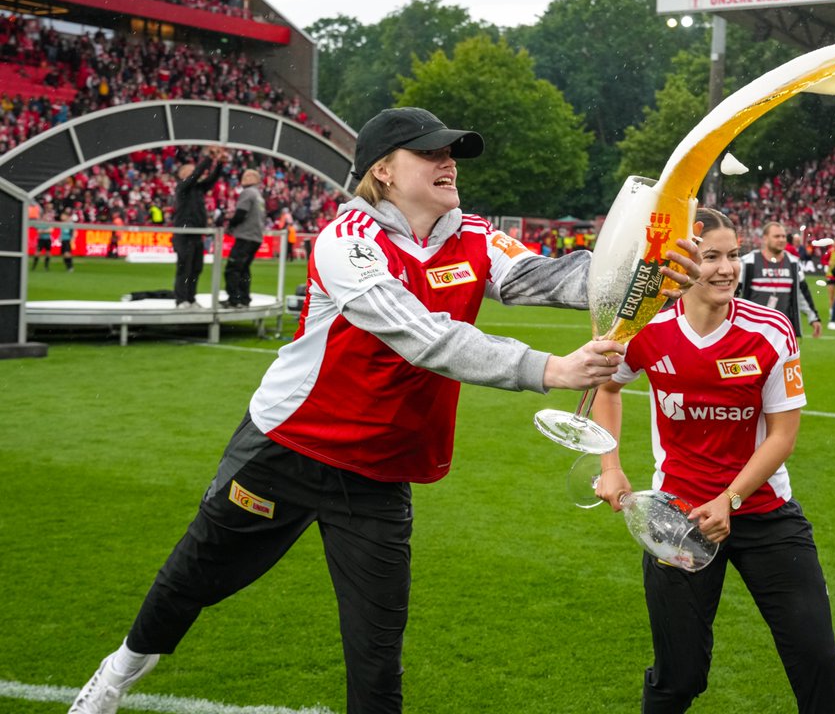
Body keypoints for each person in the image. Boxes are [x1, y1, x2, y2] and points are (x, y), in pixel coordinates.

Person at [66, 106, 701, 714]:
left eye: (451, 152)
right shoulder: (348, 240)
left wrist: (644, 271)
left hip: (380, 473)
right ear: (383, 172)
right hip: (287, 448)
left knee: (376, 653)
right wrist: (551, 370)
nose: (448, 161)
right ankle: (117, 673)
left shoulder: (476, 236)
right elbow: (422, 336)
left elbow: (556, 278)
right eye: (429, 152)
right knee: (192, 580)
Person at [592, 208, 835, 714]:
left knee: (816, 659)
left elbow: (782, 437)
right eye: (711, 256)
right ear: (681, 264)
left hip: (764, 515)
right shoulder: (646, 329)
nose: (727, 268)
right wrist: (610, 465)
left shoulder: (770, 330)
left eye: (733, 255)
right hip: (677, 520)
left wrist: (729, 499)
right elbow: (607, 387)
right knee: (679, 678)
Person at [738, 221, 822, 339]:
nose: (781, 239)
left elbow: (803, 293)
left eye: (783, 236)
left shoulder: (793, 263)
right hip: (752, 332)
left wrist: (814, 318)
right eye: (777, 236)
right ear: (765, 238)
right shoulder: (748, 262)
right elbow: (733, 295)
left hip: (782, 332)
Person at [171, 146, 226, 308]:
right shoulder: (182, 188)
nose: (194, 172)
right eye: (190, 170)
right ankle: (181, 300)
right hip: (184, 233)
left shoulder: (197, 189)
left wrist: (220, 163)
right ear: (182, 175)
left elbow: (212, 179)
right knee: (184, 268)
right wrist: (209, 159)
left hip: (196, 234)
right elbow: (197, 175)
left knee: (196, 269)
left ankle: (191, 298)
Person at [222, 166, 265, 308]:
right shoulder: (259, 196)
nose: (243, 179)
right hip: (256, 237)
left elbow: (241, 213)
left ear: (254, 179)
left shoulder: (247, 193)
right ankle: (244, 298)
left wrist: (230, 226)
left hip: (245, 236)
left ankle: (234, 299)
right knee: (244, 269)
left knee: (233, 268)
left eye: (247, 176)